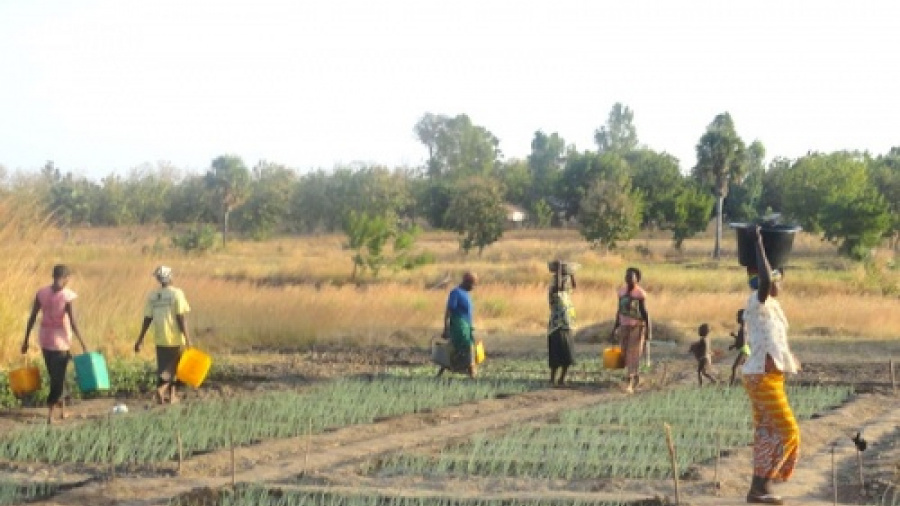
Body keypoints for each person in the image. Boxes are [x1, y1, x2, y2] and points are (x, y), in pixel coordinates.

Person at [743, 225, 801, 505]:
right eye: (777, 278)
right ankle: (764, 485)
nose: (780, 283)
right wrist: (757, 242)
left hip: (771, 376)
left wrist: (790, 359)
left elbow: (775, 340)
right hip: (761, 377)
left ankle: (758, 491)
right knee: (788, 431)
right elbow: (765, 282)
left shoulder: (773, 307)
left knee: (767, 433)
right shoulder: (756, 300)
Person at [21, 264, 88, 424]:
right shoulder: (67, 296)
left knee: (57, 375)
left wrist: (25, 341)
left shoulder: (41, 293)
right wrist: (84, 343)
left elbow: (32, 318)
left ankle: (63, 410)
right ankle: (51, 415)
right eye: (67, 278)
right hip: (60, 342)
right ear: (66, 278)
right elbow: (73, 322)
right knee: (57, 379)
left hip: (45, 339)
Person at [134, 266, 192, 404]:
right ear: (170, 277)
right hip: (175, 338)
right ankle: (161, 390)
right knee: (175, 369)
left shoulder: (153, 296)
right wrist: (188, 339)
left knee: (165, 368)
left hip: (160, 338)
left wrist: (140, 339)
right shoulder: (177, 294)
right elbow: (181, 317)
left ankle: (172, 397)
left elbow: (147, 318)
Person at [609, 266, 652, 394]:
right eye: (626, 276)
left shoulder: (640, 294)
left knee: (634, 353)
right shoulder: (621, 292)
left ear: (637, 279)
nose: (628, 278)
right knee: (624, 352)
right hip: (624, 326)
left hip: (636, 327)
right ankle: (635, 376)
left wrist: (649, 330)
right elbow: (619, 311)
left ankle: (630, 381)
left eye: (631, 276)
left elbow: (645, 312)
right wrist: (615, 327)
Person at [438, 272, 478, 379]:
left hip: (466, 326)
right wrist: (446, 327)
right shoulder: (455, 293)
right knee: (468, 348)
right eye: (472, 284)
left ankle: (439, 375)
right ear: (466, 282)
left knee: (457, 350)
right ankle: (472, 375)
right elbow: (449, 310)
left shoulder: (466, 294)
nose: (474, 287)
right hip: (459, 326)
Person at [547, 260, 577, 387]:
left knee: (567, 355)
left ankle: (561, 379)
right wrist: (559, 269)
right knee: (556, 355)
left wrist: (572, 273)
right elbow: (559, 286)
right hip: (556, 327)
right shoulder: (554, 291)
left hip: (567, 325)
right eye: (565, 281)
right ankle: (553, 379)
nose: (566, 284)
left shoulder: (566, 293)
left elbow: (574, 286)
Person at [729, 309, 750, 386]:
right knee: (746, 369)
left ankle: (731, 386)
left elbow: (743, 342)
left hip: (744, 350)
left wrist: (734, 345)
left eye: (738, 316)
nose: (737, 318)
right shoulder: (743, 327)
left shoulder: (744, 328)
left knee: (734, 367)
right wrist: (735, 338)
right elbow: (741, 340)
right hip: (745, 350)